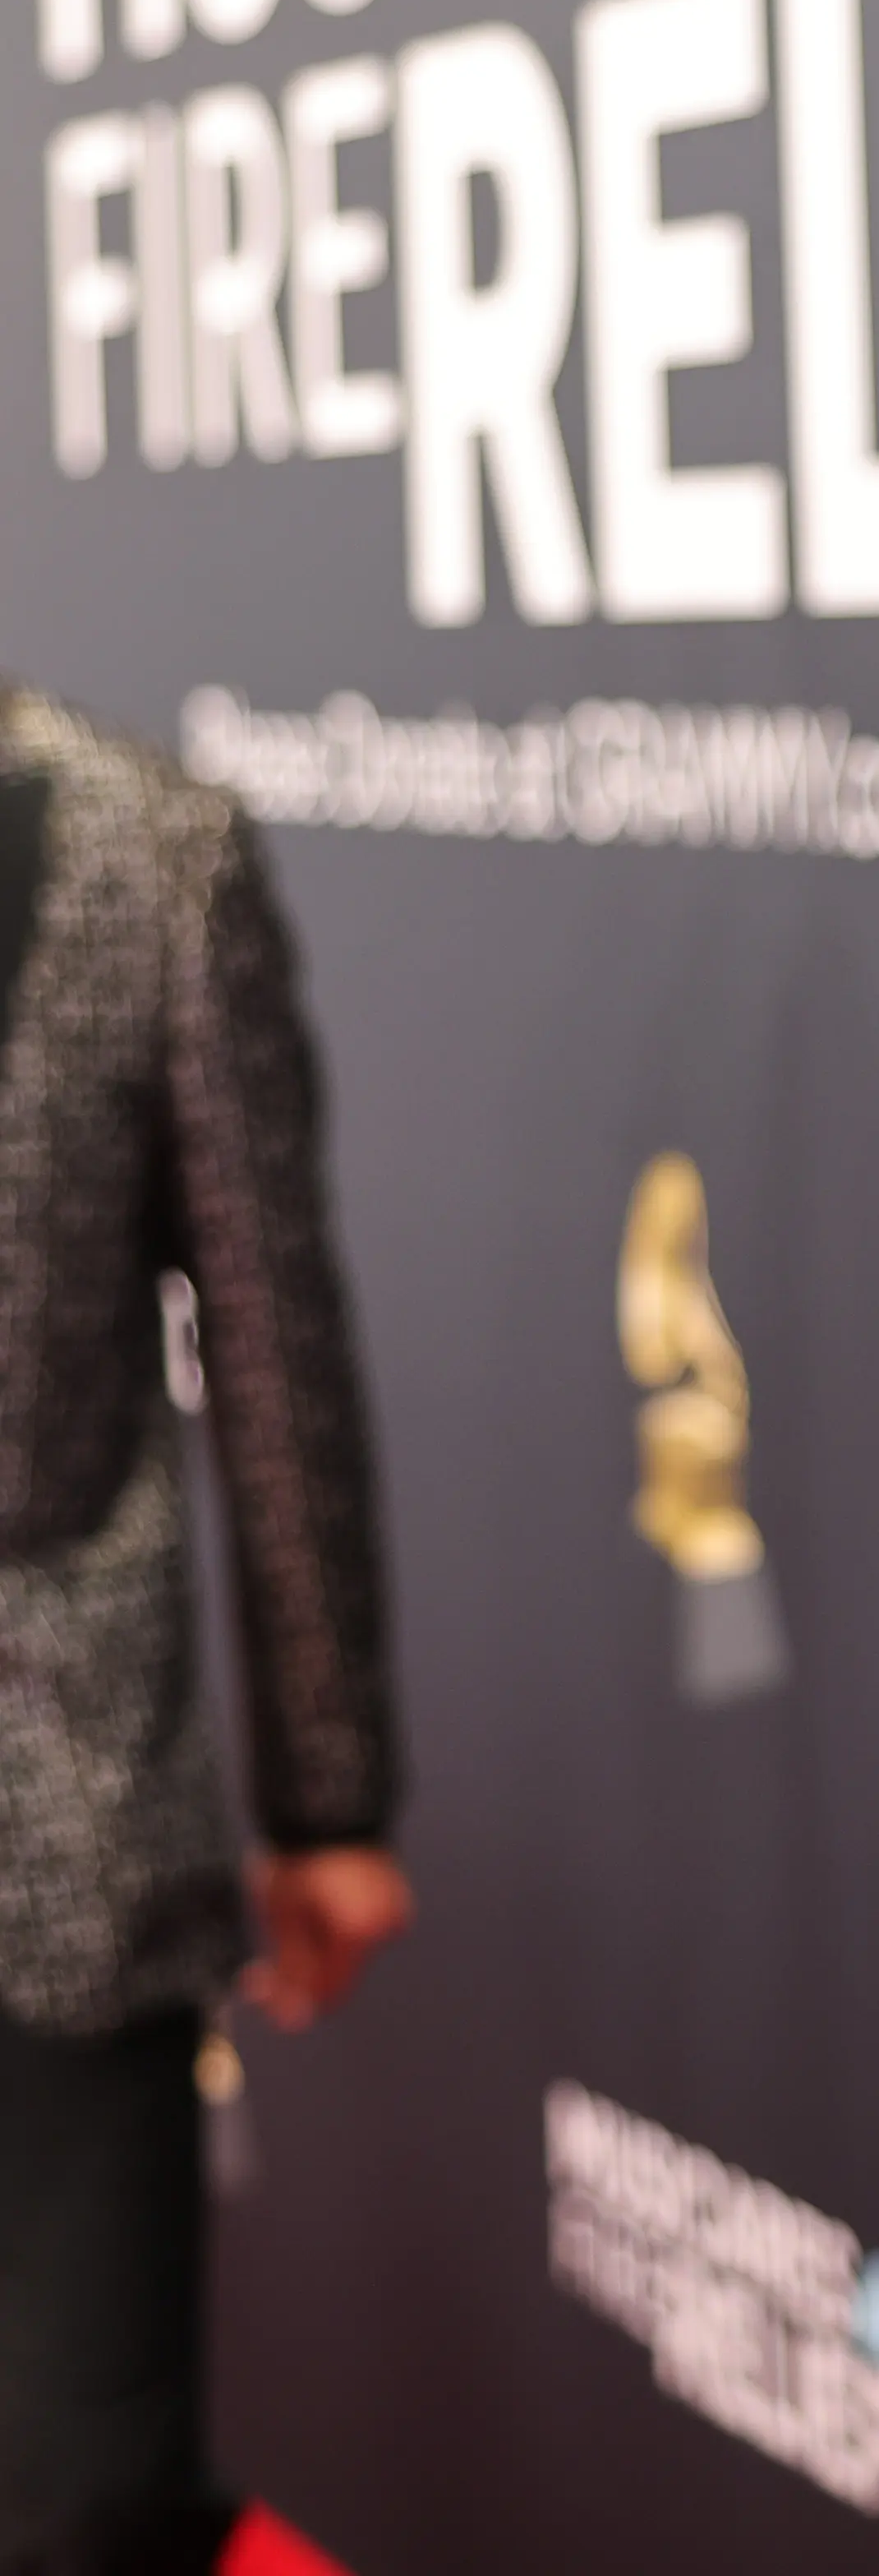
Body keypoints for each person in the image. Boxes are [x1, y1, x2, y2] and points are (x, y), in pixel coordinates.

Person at [0, 688, 408, 2576]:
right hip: (83, 1833)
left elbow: (273, 1351)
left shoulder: (151, 855)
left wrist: (326, 1797)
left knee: (95, 2486)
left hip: (72, 1862)